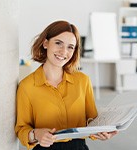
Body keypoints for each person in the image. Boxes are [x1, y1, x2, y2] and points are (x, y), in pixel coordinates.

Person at [15, 20, 118, 150]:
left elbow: (92, 120)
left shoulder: (83, 81)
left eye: (70, 47)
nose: (64, 52)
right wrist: (36, 134)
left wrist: (102, 131)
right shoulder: (27, 86)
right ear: (45, 43)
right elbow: (21, 129)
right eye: (58, 43)